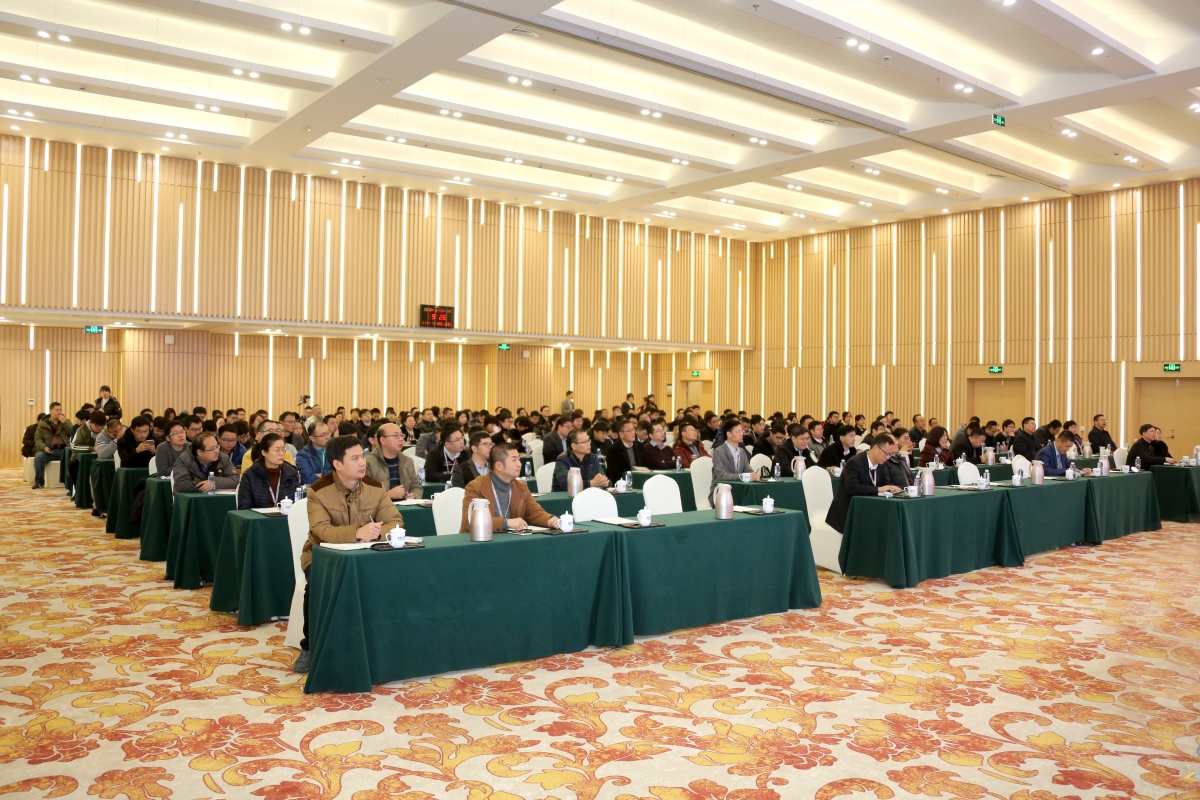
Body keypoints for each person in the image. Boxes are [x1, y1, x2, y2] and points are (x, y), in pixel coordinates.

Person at [294, 435, 404, 673]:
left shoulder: (376, 488)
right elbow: (320, 530)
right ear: (337, 464)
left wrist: (375, 533)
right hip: (322, 557)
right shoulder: (318, 491)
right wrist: (356, 533)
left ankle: (386, 642)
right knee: (316, 585)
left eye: (362, 456)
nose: (362, 462)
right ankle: (309, 647)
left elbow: (395, 520)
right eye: (354, 458)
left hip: (367, 554)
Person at [461, 443, 561, 535]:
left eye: (519, 459)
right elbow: (469, 523)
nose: (519, 464)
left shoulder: (521, 487)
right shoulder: (476, 487)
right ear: (499, 466)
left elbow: (534, 512)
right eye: (514, 460)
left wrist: (550, 520)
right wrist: (505, 522)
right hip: (481, 540)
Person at [825, 435, 904, 533]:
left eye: (890, 455)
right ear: (875, 448)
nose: (888, 458)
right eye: (886, 453)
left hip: (869, 509)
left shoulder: (882, 465)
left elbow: (886, 484)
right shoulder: (855, 462)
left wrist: (893, 489)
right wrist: (879, 489)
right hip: (848, 512)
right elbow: (852, 488)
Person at [238, 432, 303, 509]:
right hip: (258, 516)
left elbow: (298, 504)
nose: (282, 454)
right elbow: (244, 507)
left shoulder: (291, 473)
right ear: (264, 452)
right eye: (277, 450)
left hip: (286, 515)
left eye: (283, 450)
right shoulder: (250, 475)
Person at [364, 423, 423, 499]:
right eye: (396, 436)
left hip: (406, 504)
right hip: (381, 505)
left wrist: (414, 495)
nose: (401, 439)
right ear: (382, 440)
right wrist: (388, 495)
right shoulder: (368, 462)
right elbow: (364, 493)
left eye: (401, 435)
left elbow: (416, 485)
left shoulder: (407, 461)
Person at [172, 433, 238, 494]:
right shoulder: (184, 460)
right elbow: (181, 484)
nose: (217, 451)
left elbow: (235, 480)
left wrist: (213, 483)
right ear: (200, 452)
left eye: (217, 447)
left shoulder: (223, 458)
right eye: (212, 449)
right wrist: (205, 485)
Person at [710, 419, 757, 503]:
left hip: (739, 490)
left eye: (742, 431)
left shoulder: (741, 451)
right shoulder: (719, 451)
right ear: (729, 434)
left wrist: (753, 475)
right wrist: (742, 476)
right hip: (722, 493)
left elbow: (748, 469)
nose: (741, 434)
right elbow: (721, 476)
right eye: (738, 432)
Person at [32, 402, 71, 489]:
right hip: (49, 450)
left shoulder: (66, 421)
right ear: (50, 411)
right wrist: (44, 447)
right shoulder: (43, 424)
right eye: (57, 410)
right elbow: (38, 439)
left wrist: (65, 423)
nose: (59, 412)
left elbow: (73, 433)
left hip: (64, 450)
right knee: (39, 458)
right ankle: (39, 482)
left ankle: (69, 482)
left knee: (73, 458)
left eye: (60, 410)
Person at [68, 410, 108, 487]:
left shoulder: (107, 430)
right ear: (90, 423)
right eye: (97, 426)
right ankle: (79, 489)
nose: (100, 428)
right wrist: (92, 449)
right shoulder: (81, 430)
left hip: (102, 458)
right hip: (82, 459)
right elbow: (74, 447)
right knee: (73, 465)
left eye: (102, 426)